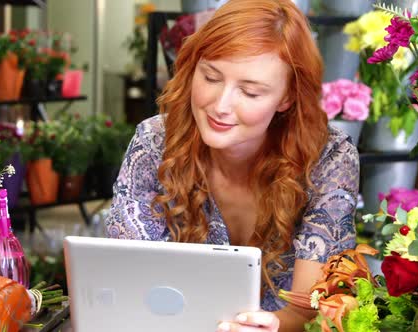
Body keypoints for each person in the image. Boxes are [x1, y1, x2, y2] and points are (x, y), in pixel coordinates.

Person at [105, 0, 359, 331]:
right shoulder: (154, 142)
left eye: (251, 92)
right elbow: (127, 275)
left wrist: (271, 326)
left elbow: (310, 308)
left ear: (286, 98)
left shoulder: (328, 157)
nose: (220, 106)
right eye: (210, 76)